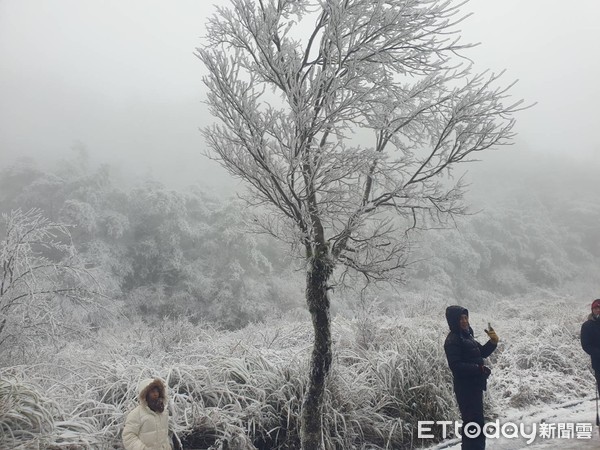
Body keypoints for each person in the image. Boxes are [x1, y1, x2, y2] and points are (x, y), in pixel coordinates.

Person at [444, 305, 498, 450]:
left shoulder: (467, 335)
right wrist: (478, 369)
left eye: (465, 317)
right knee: (473, 424)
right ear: (453, 321)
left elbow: (481, 352)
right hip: (465, 388)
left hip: (474, 385)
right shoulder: (453, 340)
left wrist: (493, 342)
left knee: (475, 423)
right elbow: (455, 366)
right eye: (460, 318)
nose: (464, 321)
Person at [123, 377, 173, 450]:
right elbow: (128, 436)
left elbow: (164, 437)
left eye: (157, 391)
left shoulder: (163, 413)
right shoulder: (136, 414)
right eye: (152, 391)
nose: (156, 394)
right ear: (145, 395)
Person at [580, 299, 600, 394]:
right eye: (596, 308)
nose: (598, 310)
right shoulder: (587, 326)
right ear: (592, 310)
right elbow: (586, 345)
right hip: (598, 363)